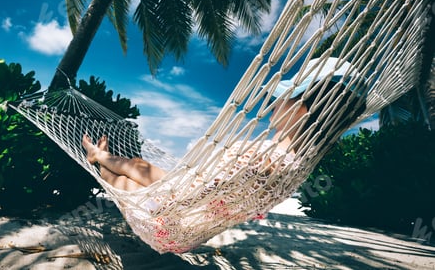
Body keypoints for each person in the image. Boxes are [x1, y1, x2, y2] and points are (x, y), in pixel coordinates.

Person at [82, 57, 367, 192]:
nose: (274, 104)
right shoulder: (299, 162)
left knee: (127, 175)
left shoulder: (264, 156)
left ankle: (97, 158)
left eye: (284, 98)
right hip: (186, 201)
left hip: (173, 204)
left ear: (302, 109)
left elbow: (200, 185)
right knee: (130, 171)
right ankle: (99, 158)